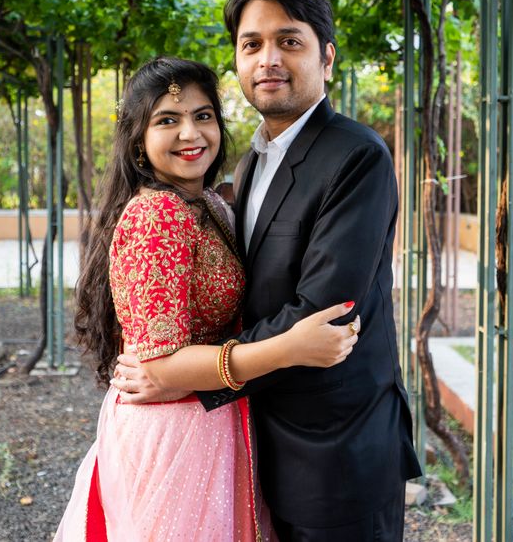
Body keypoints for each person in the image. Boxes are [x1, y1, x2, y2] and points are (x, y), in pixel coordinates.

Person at [115, 0, 422, 541]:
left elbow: (326, 309)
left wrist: (187, 377)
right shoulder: (248, 164)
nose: (268, 59)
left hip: (334, 446)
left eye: (290, 40)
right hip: (250, 436)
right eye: (252, 44)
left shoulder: (356, 155)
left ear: (327, 57)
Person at [53, 56, 359, 541]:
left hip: (209, 416)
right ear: (138, 140)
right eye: (167, 120)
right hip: (172, 436)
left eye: (202, 116)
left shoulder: (210, 201)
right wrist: (290, 348)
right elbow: (158, 368)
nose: (190, 133)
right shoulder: (157, 215)